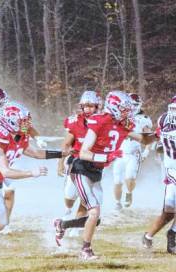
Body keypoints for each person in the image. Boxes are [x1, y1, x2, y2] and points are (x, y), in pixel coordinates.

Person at [54, 91, 156, 259]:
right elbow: (84, 152)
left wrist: (160, 134)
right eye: (124, 109)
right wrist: (106, 157)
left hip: (96, 171)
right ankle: (85, 250)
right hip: (81, 168)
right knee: (93, 211)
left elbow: (144, 140)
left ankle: (62, 224)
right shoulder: (99, 121)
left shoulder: (122, 124)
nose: (128, 113)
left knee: (95, 217)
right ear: (115, 108)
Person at [0, 102, 58, 259]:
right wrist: (31, 172)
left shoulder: (20, 136)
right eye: (23, 121)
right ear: (11, 120)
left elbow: (37, 153)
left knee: (1, 225)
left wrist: (63, 153)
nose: (27, 124)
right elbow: (5, 171)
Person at [53, 90, 101, 244]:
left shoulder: (103, 122)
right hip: (76, 163)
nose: (88, 109)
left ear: (97, 106)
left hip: (94, 166)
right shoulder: (75, 122)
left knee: (86, 200)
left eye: (91, 106)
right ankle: (66, 216)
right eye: (85, 106)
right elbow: (66, 144)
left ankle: (74, 226)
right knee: (69, 198)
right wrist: (60, 162)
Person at [142, 95, 176, 254]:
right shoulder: (164, 123)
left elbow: (158, 142)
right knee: (168, 213)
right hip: (172, 171)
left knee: (169, 213)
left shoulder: (163, 121)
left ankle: (152, 236)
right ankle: (170, 234)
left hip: (170, 170)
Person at [112, 93, 154, 209]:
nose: (133, 107)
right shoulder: (118, 117)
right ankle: (117, 203)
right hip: (119, 154)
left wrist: (146, 151)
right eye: (131, 105)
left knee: (130, 178)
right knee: (117, 181)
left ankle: (129, 193)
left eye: (136, 105)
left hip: (133, 153)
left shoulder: (142, 119)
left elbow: (149, 137)